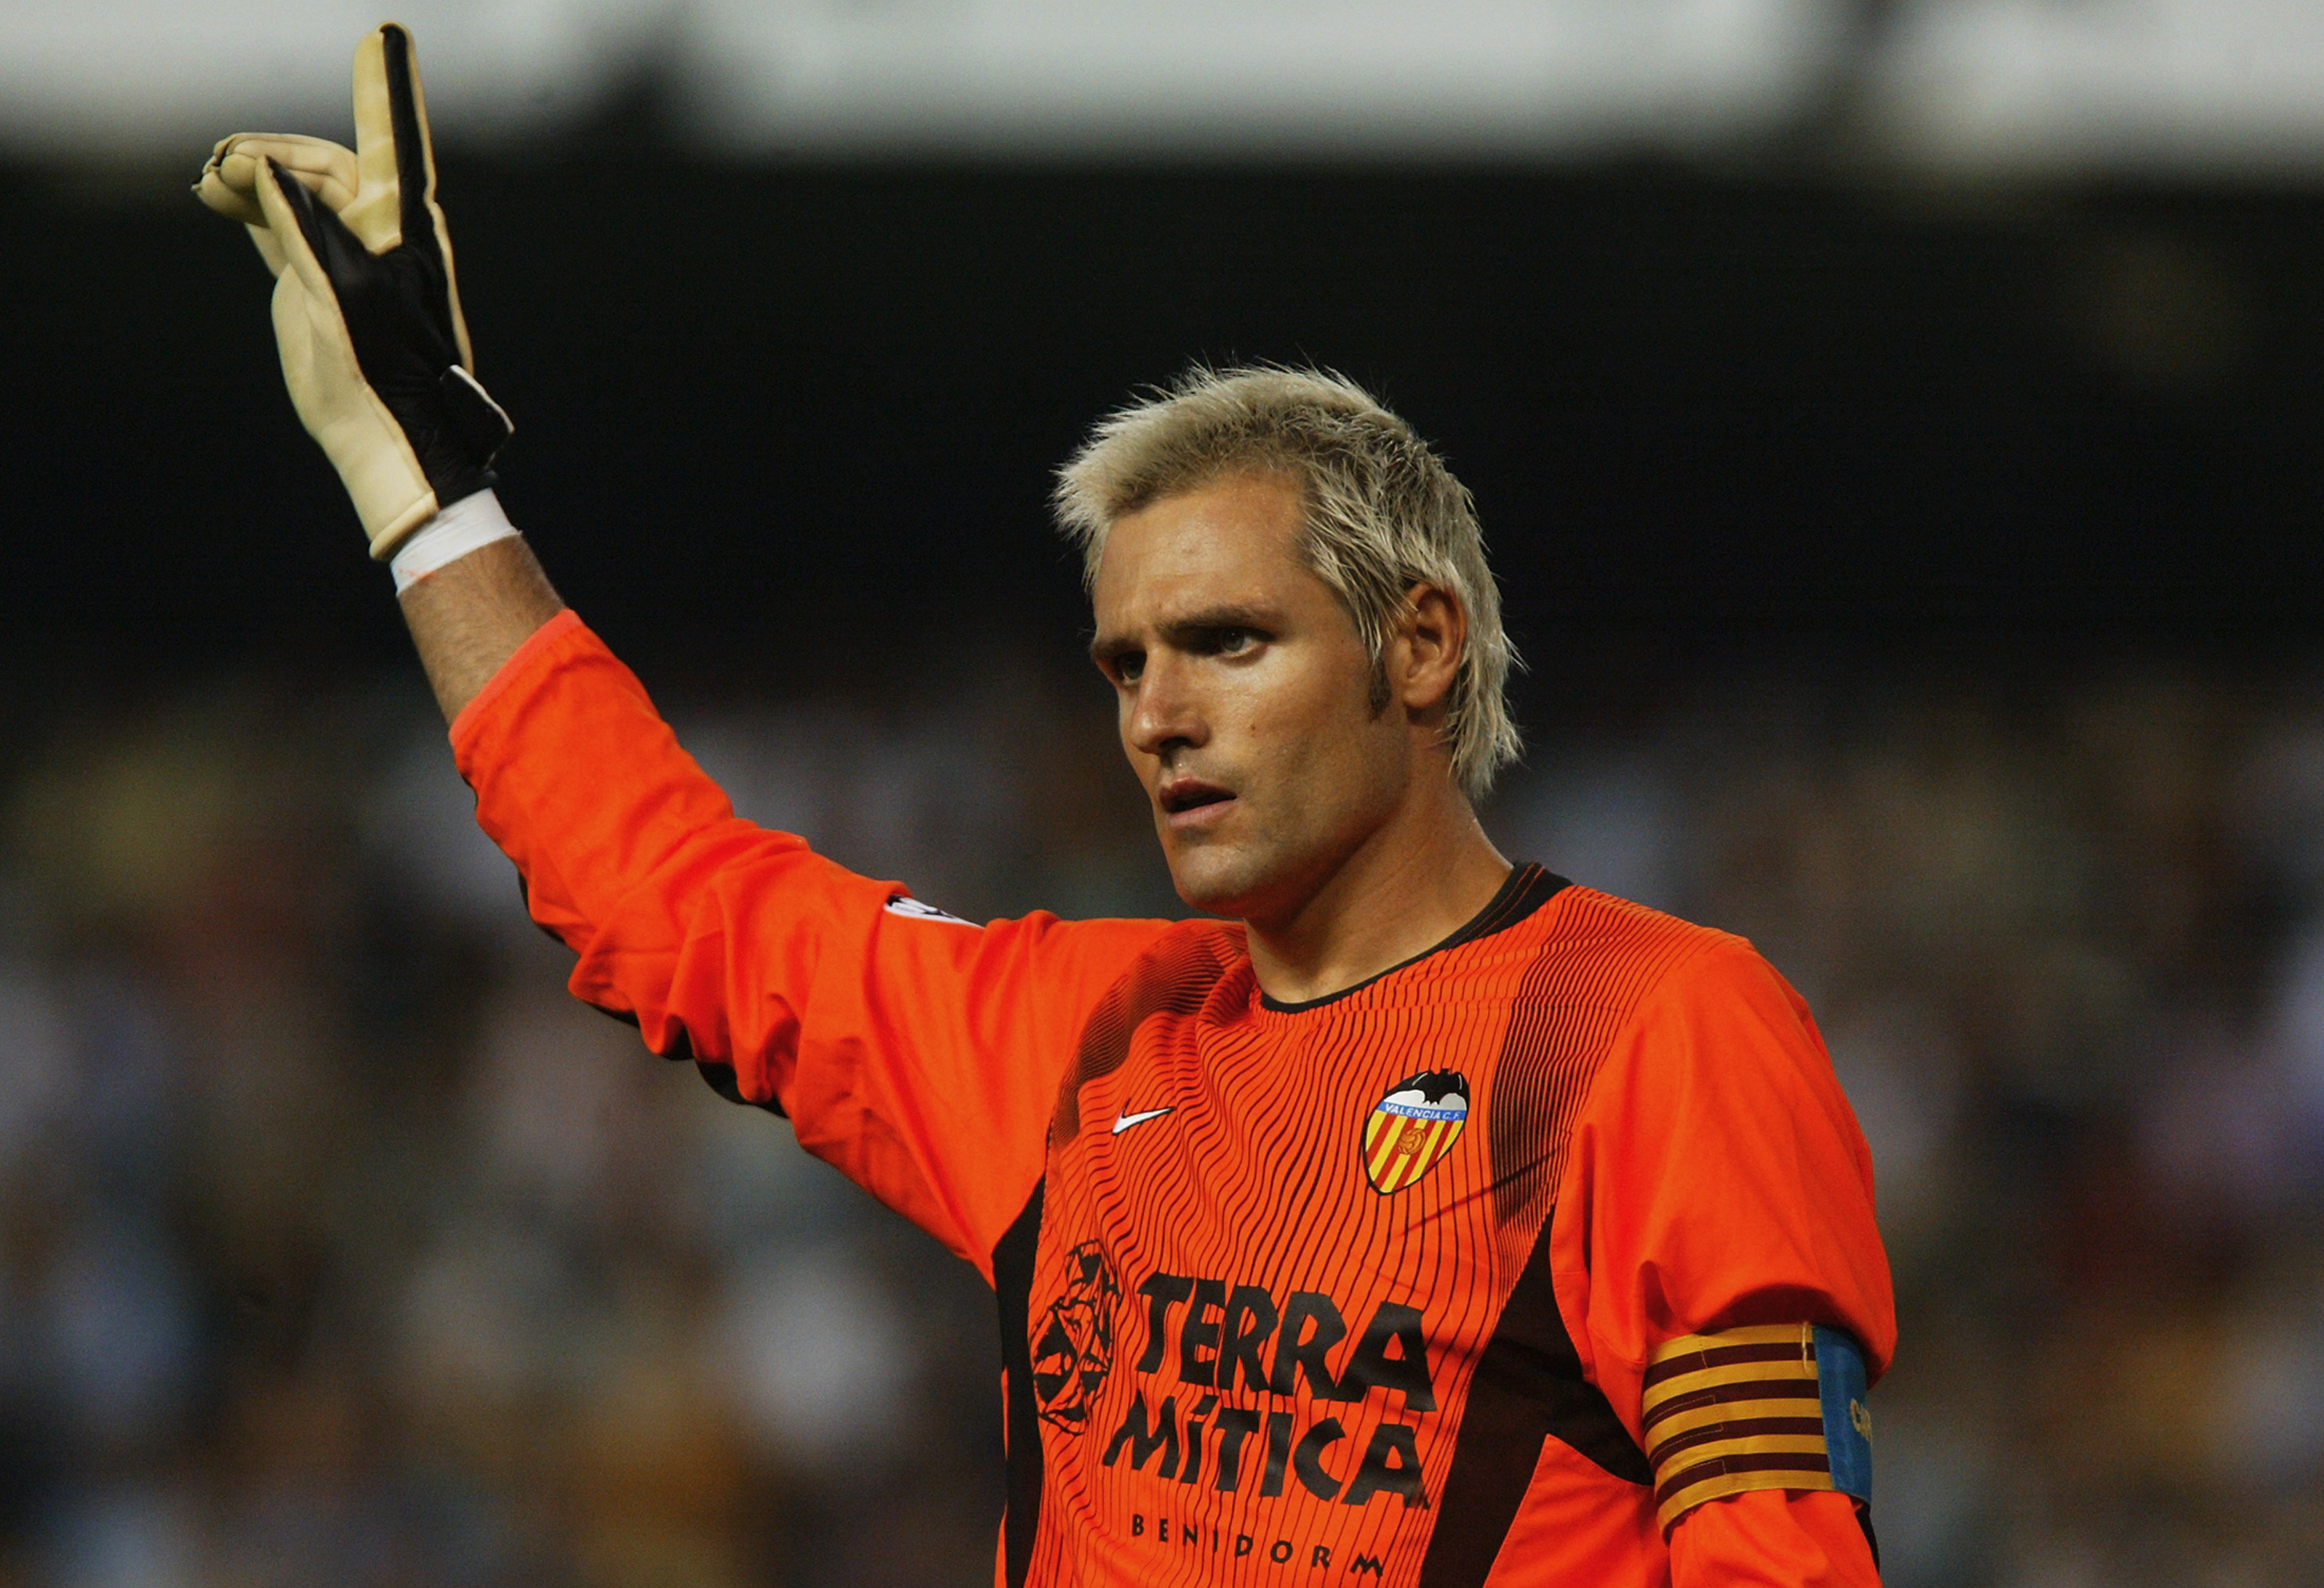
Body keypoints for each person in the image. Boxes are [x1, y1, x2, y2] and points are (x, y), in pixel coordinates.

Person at [196, 25, 1895, 1586]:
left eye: (1228, 641)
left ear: (1422, 642)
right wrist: (422, 490)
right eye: (1124, 660)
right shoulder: (1085, 1043)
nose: (1157, 713)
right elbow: (670, 897)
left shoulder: (1658, 1031)